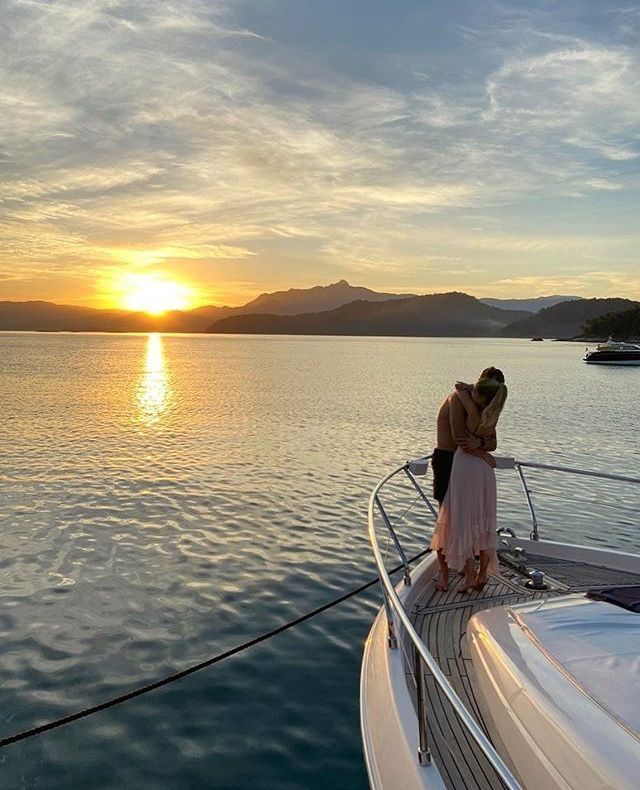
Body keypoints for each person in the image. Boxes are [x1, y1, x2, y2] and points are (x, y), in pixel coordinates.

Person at [430, 367, 507, 592]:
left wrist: (482, 449)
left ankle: (470, 572)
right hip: (448, 459)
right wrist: (483, 453)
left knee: (465, 520)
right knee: (450, 519)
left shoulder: (480, 405)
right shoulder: (458, 399)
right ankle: (447, 574)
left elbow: (490, 441)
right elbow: (460, 438)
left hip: (465, 464)